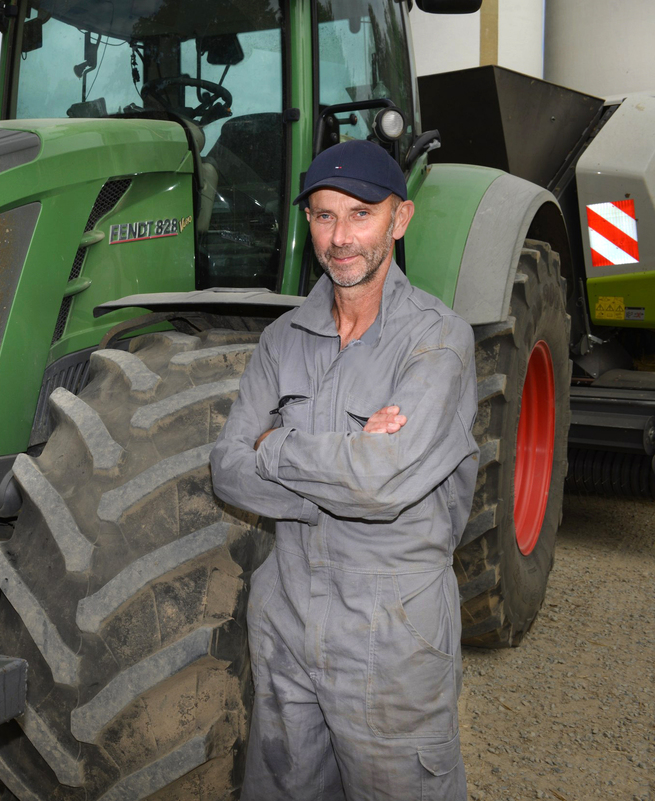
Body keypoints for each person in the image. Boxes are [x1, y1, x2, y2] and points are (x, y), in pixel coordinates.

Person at [209, 139, 478, 800]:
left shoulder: (438, 341)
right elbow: (226, 471)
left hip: (392, 636)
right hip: (287, 623)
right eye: (324, 216)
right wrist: (349, 462)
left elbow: (379, 483)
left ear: (400, 218)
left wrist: (275, 445)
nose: (341, 237)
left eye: (361, 214)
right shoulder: (282, 339)